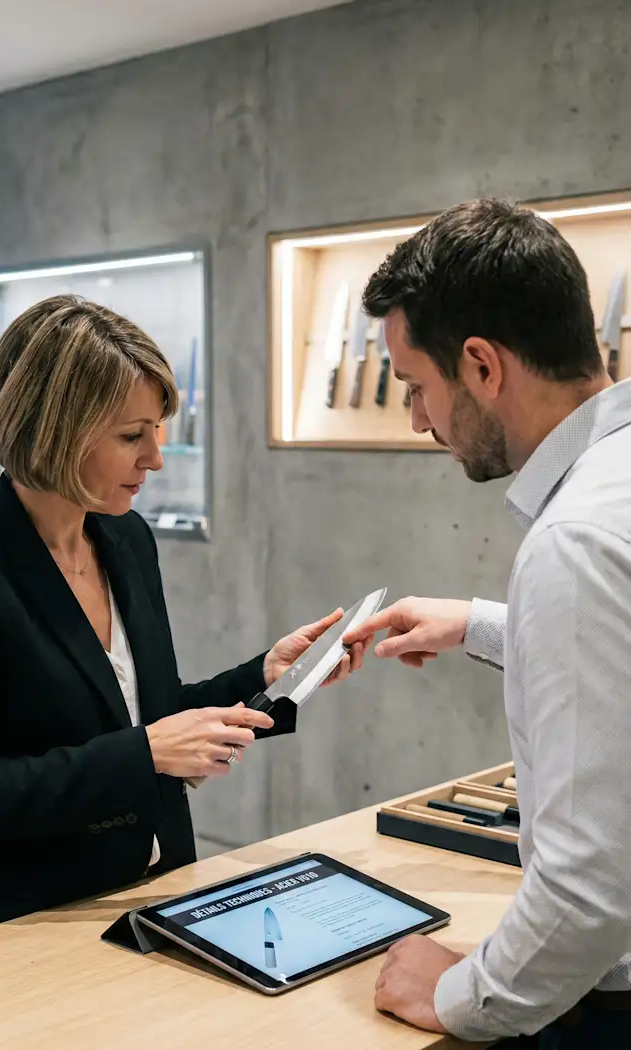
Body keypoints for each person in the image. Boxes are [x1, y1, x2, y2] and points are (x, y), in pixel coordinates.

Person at [0, 294, 367, 943]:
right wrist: (143, 755)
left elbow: (145, 715)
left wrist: (265, 676)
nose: (156, 458)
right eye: (131, 436)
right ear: (55, 428)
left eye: (157, 430)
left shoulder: (127, 541)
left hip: (157, 899)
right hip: (27, 930)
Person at [343, 199, 631, 1047]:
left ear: (480, 364)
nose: (418, 420)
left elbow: (589, 889)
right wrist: (480, 623)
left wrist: (464, 992)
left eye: (417, 388)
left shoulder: (574, 542)